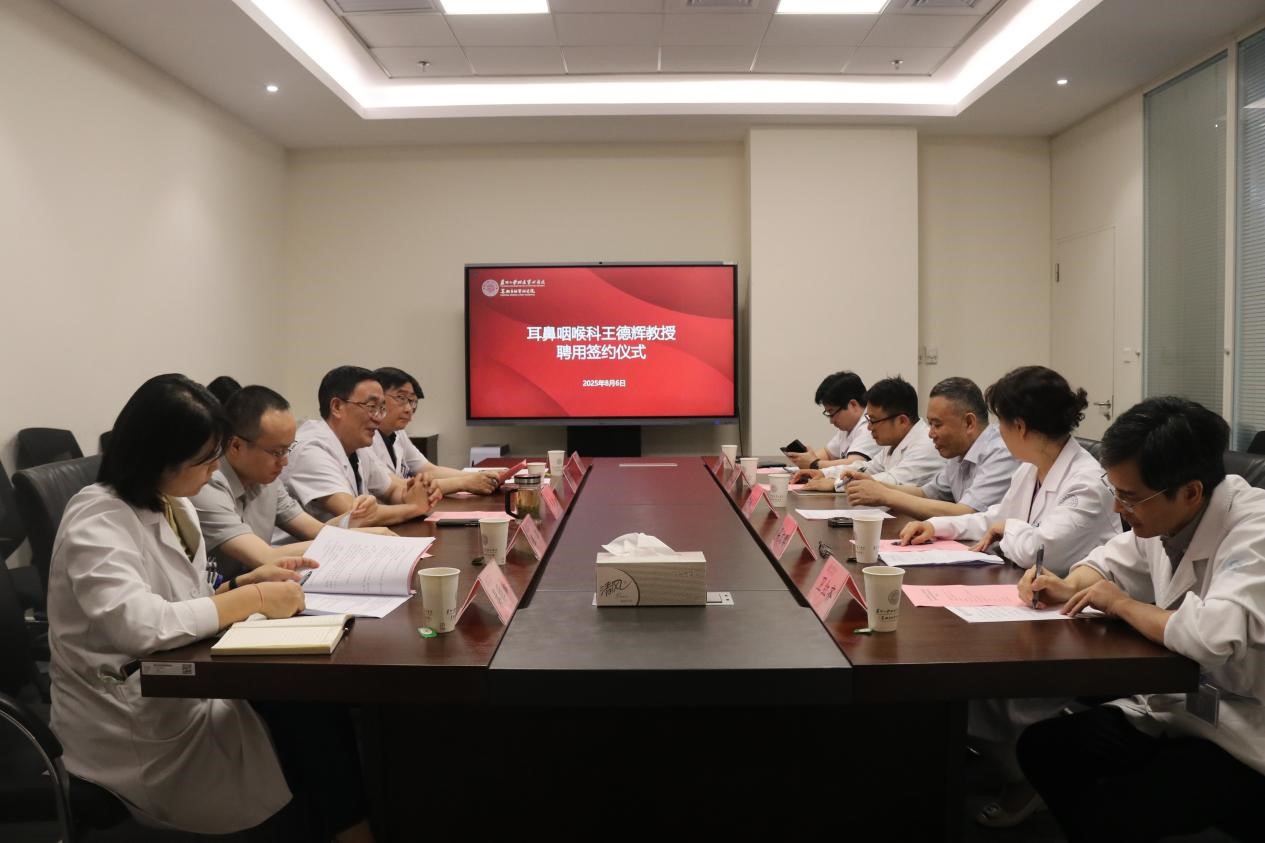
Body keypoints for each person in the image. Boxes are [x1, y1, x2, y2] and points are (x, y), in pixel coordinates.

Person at [46, 374, 373, 840]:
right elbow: (138, 624)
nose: (216, 468)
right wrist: (251, 599)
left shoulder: (174, 504)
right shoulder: (97, 518)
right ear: (159, 457)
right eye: (205, 459)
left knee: (313, 710)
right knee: (303, 723)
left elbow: (186, 601)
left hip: (184, 680)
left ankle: (346, 826)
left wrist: (241, 584)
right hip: (128, 719)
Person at [1017, 397, 1265, 841]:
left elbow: (1211, 637)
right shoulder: (1166, 516)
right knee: (1043, 748)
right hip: (1183, 706)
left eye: (1129, 497)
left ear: (1190, 492)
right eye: (1115, 491)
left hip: (1244, 730)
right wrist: (1069, 584)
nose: (1118, 509)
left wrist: (1121, 605)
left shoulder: (1255, 530)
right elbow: (1108, 562)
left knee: (1115, 810)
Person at [898, 365, 1121, 827]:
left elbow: (1040, 548)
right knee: (953, 657)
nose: (997, 432)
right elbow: (994, 519)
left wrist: (1007, 529)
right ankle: (998, 760)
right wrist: (937, 526)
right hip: (1026, 602)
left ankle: (1027, 778)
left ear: (1019, 426)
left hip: (1077, 617)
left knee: (977, 679)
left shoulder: (1087, 480)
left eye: (999, 422)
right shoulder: (1030, 470)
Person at [190, 384, 384, 579]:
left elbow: (314, 531)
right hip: (222, 592)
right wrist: (358, 541)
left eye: (287, 450)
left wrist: (351, 519)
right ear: (236, 446)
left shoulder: (266, 479)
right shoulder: (207, 482)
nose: (284, 461)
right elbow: (265, 557)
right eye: (277, 452)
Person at [283, 365, 440, 525]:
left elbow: (392, 490)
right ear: (337, 407)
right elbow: (355, 514)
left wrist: (416, 492)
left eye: (382, 408)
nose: (379, 418)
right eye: (371, 407)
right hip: (305, 542)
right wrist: (414, 508)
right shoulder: (310, 450)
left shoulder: (356, 444)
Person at [841, 377, 1017, 518]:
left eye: (937, 425)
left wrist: (886, 496)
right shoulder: (958, 452)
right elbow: (926, 493)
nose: (930, 433)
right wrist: (876, 485)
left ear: (969, 422)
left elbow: (967, 513)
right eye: (930, 424)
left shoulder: (1000, 452)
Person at [794, 375, 945, 491]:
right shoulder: (894, 442)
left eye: (873, 420)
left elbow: (892, 481)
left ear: (902, 421)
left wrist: (836, 484)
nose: (869, 427)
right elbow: (866, 467)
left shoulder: (926, 445)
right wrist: (825, 474)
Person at [365, 366, 498, 496]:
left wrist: (479, 476)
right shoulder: (365, 441)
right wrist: (463, 483)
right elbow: (398, 488)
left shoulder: (398, 433)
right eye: (401, 398)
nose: (409, 409)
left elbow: (428, 470)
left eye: (412, 401)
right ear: (378, 399)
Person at [784, 371, 881, 471]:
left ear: (853, 405)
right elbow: (828, 453)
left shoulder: (870, 426)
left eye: (832, 412)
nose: (831, 421)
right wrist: (806, 458)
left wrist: (814, 463)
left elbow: (853, 464)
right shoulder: (848, 427)